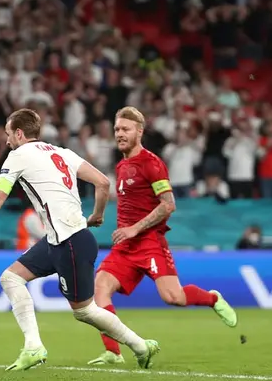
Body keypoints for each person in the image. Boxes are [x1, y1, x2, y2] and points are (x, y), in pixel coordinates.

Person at [0, 108, 160, 371]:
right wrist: (97, 216)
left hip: (69, 242)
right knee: (10, 278)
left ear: (19, 133)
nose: (7, 140)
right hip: (64, 238)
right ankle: (33, 347)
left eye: (9, 134)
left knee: (84, 311)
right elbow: (102, 182)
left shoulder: (17, 156)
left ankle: (140, 346)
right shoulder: (61, 152)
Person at [88, 107, 237, 366]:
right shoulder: (122, 165)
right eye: (117, 129)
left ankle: (212, 298)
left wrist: (135, 228)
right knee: (100, 288)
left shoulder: (151, 163)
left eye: (126, 129)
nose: (120, 134)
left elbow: (168, 204)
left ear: (139, 132)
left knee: (173, 298)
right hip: (125, 247)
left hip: (149, 242)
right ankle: (113, 352)